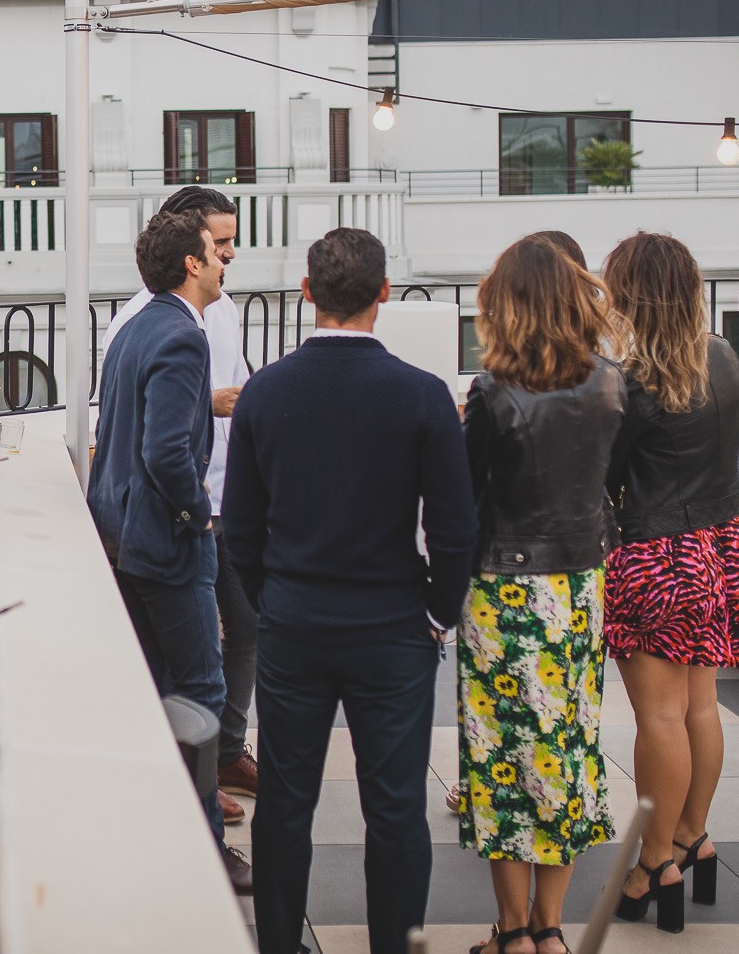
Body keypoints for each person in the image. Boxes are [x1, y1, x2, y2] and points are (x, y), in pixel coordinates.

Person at [223, 226, 477, 954]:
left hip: (295, 624)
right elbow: (455, 528)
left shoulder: (264, 393)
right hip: (394, 625)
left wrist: (274, 598)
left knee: (286, 804)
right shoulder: (424, 397)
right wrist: (437, 613)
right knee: (396, 811)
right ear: (384, 295)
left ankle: (279, 944)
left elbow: (240, 527)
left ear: (307, 294)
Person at [457, 235, 626, 954]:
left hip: (502, 591)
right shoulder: (610, 382)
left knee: (499, 758)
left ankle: (513, 929)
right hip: (582, 584)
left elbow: (466, 503)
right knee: (567, 746)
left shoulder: (492, 393)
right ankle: (553, 928)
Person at [86, 208, 248, 889]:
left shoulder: (140, 324)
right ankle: (202, 847)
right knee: (201, 693)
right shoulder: (184, 334)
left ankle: (157, 827)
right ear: (192, 262)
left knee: (155, 689)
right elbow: (163, 449)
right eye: (217, 249)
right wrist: (198, 513)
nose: (223, 260)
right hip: (165, 542)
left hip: (123, 536)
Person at [602, 232, 739, 934]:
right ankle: (695, 833)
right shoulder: (722, 353)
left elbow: (606, 478)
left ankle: (655, 860)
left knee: (658, 717)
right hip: (724, 543)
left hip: (660, 555)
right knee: (700, 705)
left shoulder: (631, 381)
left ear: (630, 293)